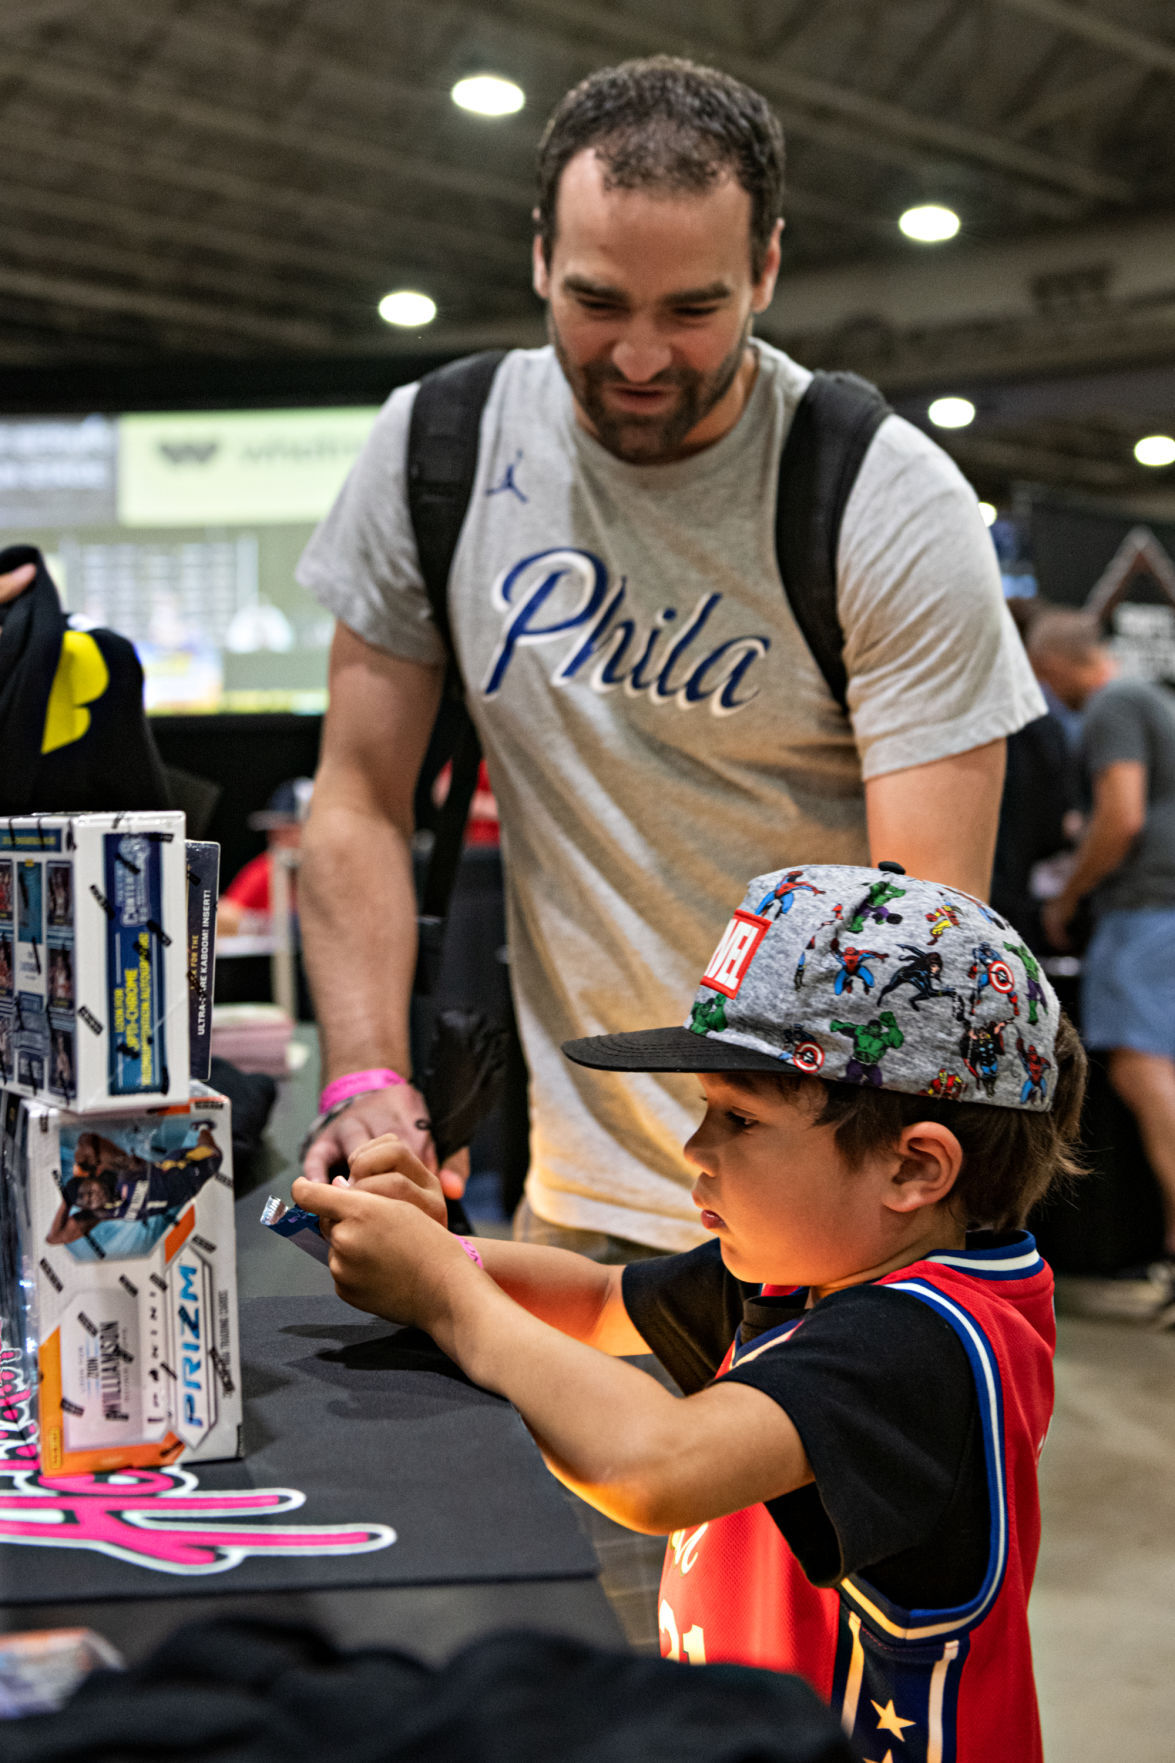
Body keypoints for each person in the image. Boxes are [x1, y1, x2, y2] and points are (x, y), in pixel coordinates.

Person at [294, 56, 1044, 1256]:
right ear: (539, 256)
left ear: (765, 270)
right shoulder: (437, 447)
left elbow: (922, 959)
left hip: (820, 1231)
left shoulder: (880, 499)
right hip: (568, 1207)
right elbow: (357, 801)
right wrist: (365, 1076)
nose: (638, 356)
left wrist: (809, 1252)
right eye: (596, 302)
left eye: (691, 311)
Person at [291, 862, 1086, 1762]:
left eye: (737, 1120)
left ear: (913, 1167)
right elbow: (596, 1302)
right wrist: (438, 1247)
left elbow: (653, 1468)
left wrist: (445, 1290)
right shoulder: (813, 1272)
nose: (693, 1148)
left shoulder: (922, 1342)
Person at [1030, 609, 1175, 1303]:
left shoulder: (1115, 703)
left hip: (1144, 908)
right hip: (1159, 907)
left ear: (1052, 668)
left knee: (1144, 1071)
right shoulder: (1149, 696)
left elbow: (1122, 815)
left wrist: (1067, 897)